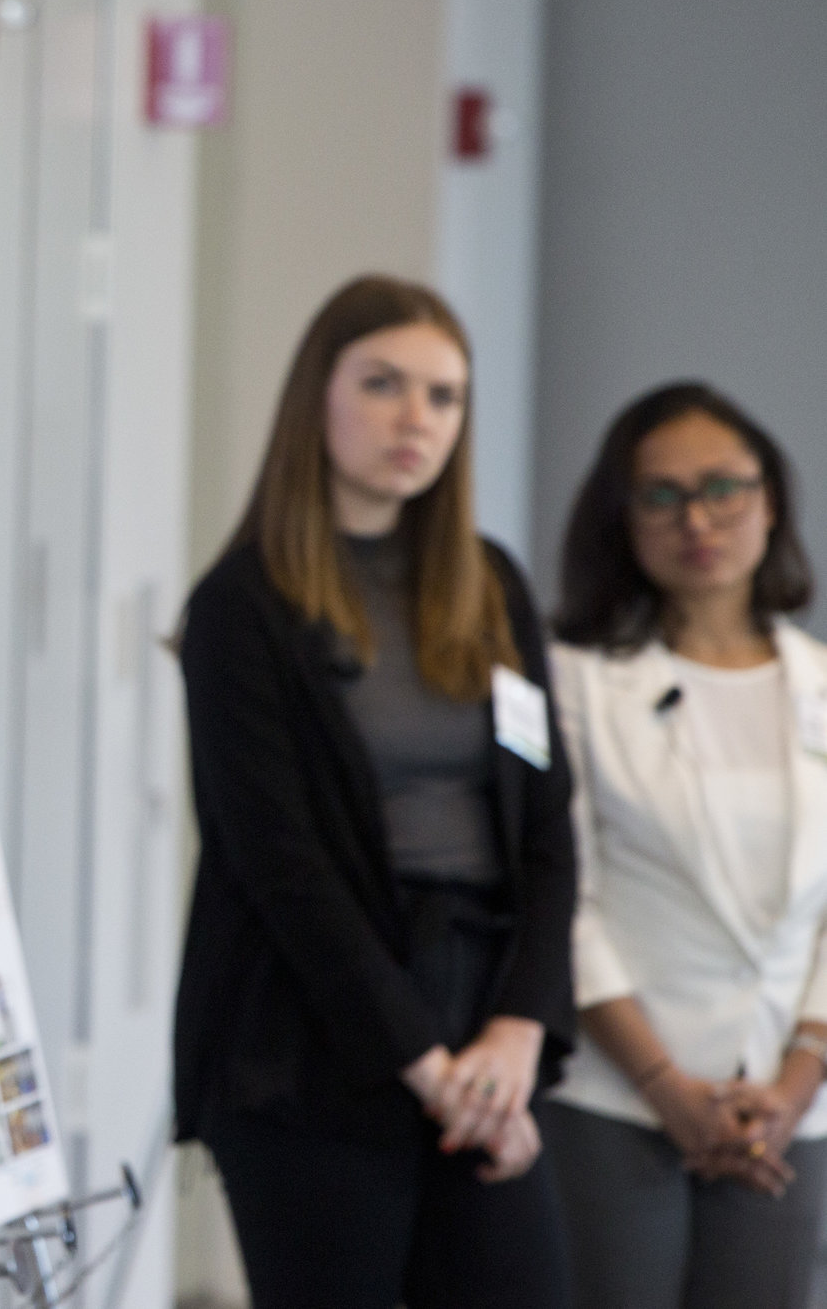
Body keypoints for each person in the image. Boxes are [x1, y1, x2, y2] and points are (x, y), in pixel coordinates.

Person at [174, 274, 576, 1309]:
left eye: (443, 395)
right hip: (307, 1038)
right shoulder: (241, 605)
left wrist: (517, 1031)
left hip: (480, 1011)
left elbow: (544, 835)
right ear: (319, 395)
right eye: (384, 383)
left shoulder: (491, 583)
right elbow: (282, 865)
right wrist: (426, 1062)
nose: (416, 417)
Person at [540, 382, 827, 1308]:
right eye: (660, 495)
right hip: (619, 1093)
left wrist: (799, 1076)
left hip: (788, 1104)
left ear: (771, 501)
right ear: (621, 517)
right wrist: (663, 1083)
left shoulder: (821, 682)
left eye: (723, 488)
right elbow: (564, 893)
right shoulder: (578, 680)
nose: (695, 518)